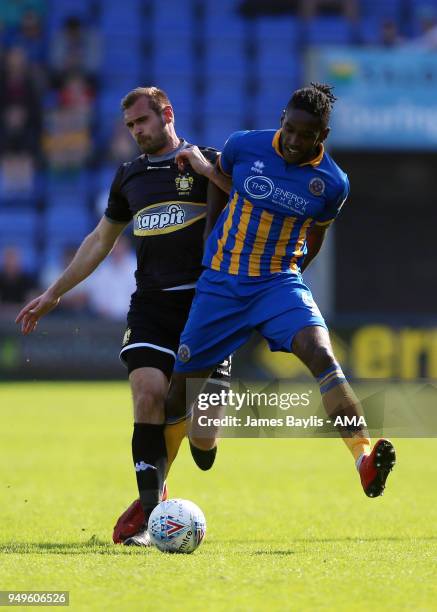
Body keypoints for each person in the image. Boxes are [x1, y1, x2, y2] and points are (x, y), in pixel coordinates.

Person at [16, 86, 230, 546]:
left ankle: (201, 442)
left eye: (142, 122)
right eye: (131, 126)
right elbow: (99, 241)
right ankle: (154, 519)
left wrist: (210, 171)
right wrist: (54, 292)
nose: (136, 132)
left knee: (204, 432)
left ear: (167, 114)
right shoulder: (128, 177)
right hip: (152, 306)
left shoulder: (207, 162)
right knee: (147, 392)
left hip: (209, 307)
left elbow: (249, 209)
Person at [166, 83, 396, 499]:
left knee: (322, 353)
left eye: (304, 135)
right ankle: (153, 494)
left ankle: (364, 457)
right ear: (281, 121)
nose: (292, 140)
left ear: (321, 137)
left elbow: (317, 235)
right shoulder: (243, 146)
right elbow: (224, 185)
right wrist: (210, 242)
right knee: (180, 392)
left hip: (277, 281)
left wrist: (292, 275)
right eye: (288, 129)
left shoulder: (332, 184)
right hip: (222, 281)